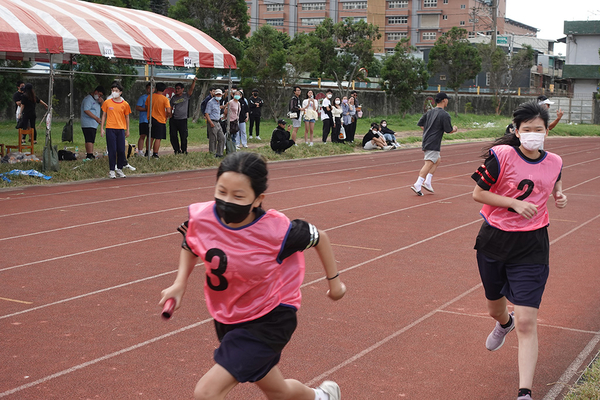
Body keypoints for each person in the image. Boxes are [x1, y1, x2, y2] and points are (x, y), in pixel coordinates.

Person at [159, 151, 345, 400]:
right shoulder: (204, 217)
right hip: (230, 316)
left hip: (271, 317)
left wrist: (335, 285)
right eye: (221, 191)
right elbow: (191, 243)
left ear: (258, 199)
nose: (226, 201)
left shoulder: (277, 231)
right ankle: (323, 397)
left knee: (206, 393)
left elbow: (321, 237)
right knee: (279, 392)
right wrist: (179, 283)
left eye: (238, 196)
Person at [471, 101, 567, 400]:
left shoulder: (555, 162)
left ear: (546, 132)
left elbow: (553, 186)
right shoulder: (501, 156)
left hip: (532, 245)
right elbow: (478, 193)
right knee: (494, 308)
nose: (533, 135)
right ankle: (504, 323)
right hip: (495, 241)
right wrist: (513, 203)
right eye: (527, 130)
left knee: (528, 321)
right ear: (516, 131)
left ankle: (524, 392)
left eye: (539, 130)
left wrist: (560, 196)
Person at [410, 92, 458, 196]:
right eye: (447, 99)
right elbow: (448, 130)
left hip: (427, 139)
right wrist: (455, 129)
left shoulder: (429, 112)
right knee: (429, 163)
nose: (448, 101)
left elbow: (420, 124)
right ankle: (417, 184)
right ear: (444, 100)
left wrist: (429, 131)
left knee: (437, 160)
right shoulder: (444, 115)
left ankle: (427, 182)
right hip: (433, 142)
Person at [100, 82, 131, 179]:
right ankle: (112, 170)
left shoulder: (125, 104)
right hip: (110, 128)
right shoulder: (107, 102)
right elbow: (104, 115)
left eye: (116, 91)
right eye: (113, 90)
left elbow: (127, 117)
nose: (114, 92)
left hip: (121, 129)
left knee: (121, 150)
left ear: (120, 92)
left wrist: (127, 130)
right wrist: (101, 128)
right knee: (112, 150)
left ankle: (120, 169)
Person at [170, 77, 197, 154]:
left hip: (183, 119)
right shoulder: (173, 98)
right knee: (173, 136)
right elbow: (170, 107)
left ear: (182, 89)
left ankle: (184, 150)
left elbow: (191, 89)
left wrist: (194, 81)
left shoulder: (186, 96)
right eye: (176, 89)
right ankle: (176, 150)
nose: (177, 90)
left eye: (178, 88)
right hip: (174, 119)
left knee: (183, 136)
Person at [145, 82, 172, 158]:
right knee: (158, 138)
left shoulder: (150, 97)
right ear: (164, 90)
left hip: (151, 118)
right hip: (160, 119)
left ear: (156, 88)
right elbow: (169, 111)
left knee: (150, 136)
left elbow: (147, 107)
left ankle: (147, 152)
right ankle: (155, 153)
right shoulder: (165, 99)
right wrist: (166, 116)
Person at [80, 86, 105, 159]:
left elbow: (104, 107)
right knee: (89, 139)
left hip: (93, 124)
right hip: (88, 123)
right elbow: (86, 110)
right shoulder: (88, 99)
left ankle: (90, 153)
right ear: (95, 92)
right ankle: (89, 154)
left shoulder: (97, 100)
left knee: (91, 138)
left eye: (101, 96)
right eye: (99, 94)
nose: (99, 96)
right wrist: (96, 118)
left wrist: (102, 101)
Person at [204, 88, 225, 158]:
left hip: (218, 121)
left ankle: (220, 153)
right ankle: (212, 154)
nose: (219, 95)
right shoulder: (210, 102)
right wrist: (210, 122)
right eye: (217, 94)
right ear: (214, 94)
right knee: (213, 139)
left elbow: (218, 108)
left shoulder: (218, 102)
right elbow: (206, 113)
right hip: (212, 121)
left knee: (221, 138)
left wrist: (224, 106)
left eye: (220, 94)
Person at [136, 83, 151, 156]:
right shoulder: (143, 97)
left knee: (150, 136)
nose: (150, 90)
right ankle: (140, 151)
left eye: (151, 88)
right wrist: (146, 109)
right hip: (144, 119)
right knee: (143, 135)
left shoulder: (155, 97)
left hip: (152, 120)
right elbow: (137, 107)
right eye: (148, 88)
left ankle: (148, 151)